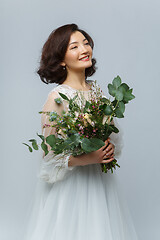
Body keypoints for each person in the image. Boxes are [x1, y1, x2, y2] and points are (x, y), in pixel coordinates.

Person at [23, 23, 138, 240]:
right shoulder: (57, 97)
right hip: (71, 187)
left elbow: (111, 133)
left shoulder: (97, 92)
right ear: (61, 59)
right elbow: (49, 155)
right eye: (74, 46)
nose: (84, 50)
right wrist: (87, 158)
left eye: (85, 43)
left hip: (99, 183)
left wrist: (107, 147)